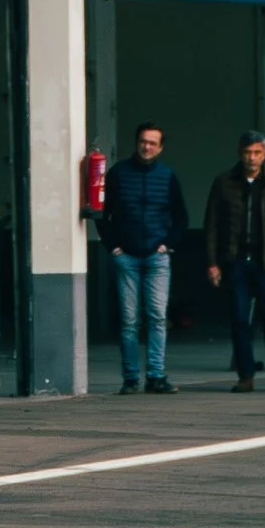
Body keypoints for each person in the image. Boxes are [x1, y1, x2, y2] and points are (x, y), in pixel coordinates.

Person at [99, 121, 189, 393]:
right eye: (143, 141)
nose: (147, 146)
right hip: (126, 256)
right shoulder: (118, 174)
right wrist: (113, 248)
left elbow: (181, 217)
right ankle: (130, 378)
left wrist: (167, 245)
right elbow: (103, 214)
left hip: (157, 257)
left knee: (157, 317)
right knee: (129, 320)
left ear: (160, 148)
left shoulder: (168, 175)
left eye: (153, 142)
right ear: (136, 143)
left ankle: (156, 376)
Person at [203, 129, 265, 389]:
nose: (251, 158)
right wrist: (212, 263)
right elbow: (211, 225)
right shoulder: (224, 183)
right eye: (247, 153)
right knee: (239, 318)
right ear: (239, 154)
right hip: (235, 261)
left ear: (264, 154)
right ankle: (246, 375)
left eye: (256, 153)